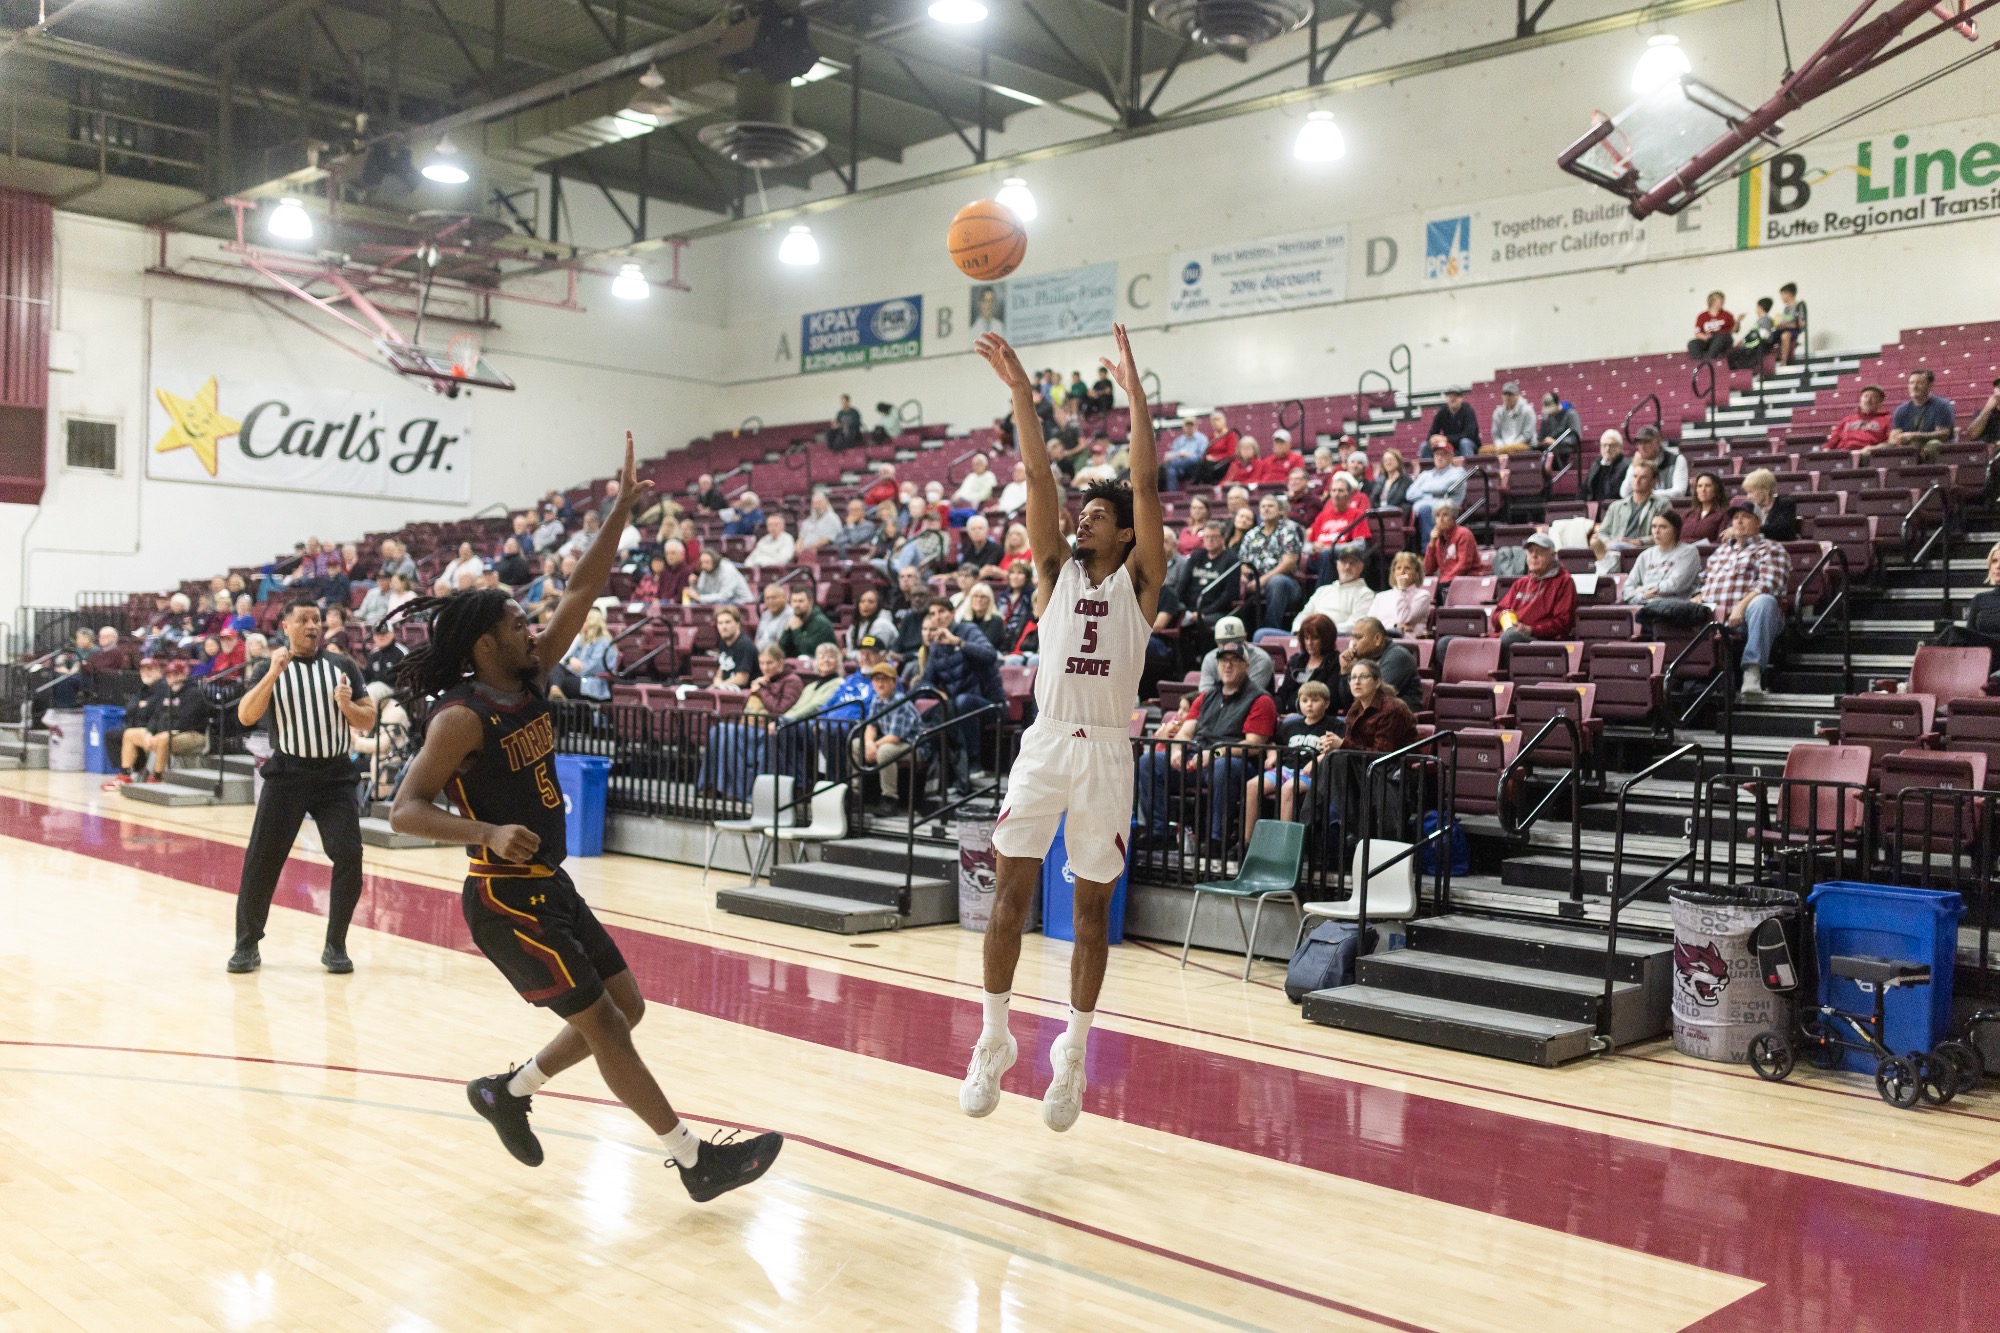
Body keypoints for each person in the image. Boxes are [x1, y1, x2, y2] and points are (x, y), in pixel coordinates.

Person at [387, 437, 780, 1200]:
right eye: (515, 621)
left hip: (550, 883)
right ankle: (697, 1161)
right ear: (483, 642)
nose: (532, 626)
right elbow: (404, 809)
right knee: (605, 1024)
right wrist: (486, 832)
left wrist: (622, 508)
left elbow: (582, 589)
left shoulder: (528, 675)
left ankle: (511, 1090)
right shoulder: (461, 719)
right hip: (502, 896)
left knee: (628, 1007)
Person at [963, 322, 1164, 1134]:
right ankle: (993, 1039)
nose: (1080, 522)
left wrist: (1137, 397)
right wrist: (1019, 390)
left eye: (1095, 516)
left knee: (1088, 915)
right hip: (1047, 742)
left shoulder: (1142, 582)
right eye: (1077, 515)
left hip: (1107, 752)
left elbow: (1146, 485)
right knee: (1008, 894)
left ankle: (1073, 1054)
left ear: (1121, 531)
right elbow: (1037, 471)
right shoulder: (1052, 571)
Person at [227, 598, 377, 975]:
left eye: (317, 620)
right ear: (286, 626)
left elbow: (369, 718)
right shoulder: (271, 666)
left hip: (336, 777)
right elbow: (246, 715)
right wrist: (272, 673)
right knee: (262, 860)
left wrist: (347, 707)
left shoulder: (343, 666)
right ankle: (246, 945)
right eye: (304, 620)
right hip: (289, 775)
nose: (313, 626)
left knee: (349, 855)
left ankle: (335, 944)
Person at [1136, 641, 1275, 853]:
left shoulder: (1261, 699)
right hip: (1198, 760)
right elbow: (1185, 732)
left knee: (1223, 767)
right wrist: (1176, 751)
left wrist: (1215, 753)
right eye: (1223, 661)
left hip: (1238, 765)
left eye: (1234, 661)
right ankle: (1160, 833)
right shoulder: (1205, 697)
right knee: (1149, 761)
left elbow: (1255, 744)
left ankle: (1216, 840)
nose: (1228, 666)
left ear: (1246, 666)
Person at [1690, 502, 1791, 696]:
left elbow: (1768, 584)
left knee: (1764, 601)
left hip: (1748, 618)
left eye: (1745, 517)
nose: (1739, 521)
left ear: (1759, 522)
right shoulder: (1721, 551)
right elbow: (1704, 582)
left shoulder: (1771, 548)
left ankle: (1752, 673)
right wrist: (1697, 598)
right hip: (1715, 616)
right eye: (1735, 518)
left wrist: (1741, 607)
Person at [1243, 680, 1340, 842]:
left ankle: (1283, 844)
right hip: (1285, 769)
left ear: (1326, 703)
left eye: (1315, 700)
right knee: (1252, 785)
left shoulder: (1333, 725)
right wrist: (1272, 755)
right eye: (1305, 700)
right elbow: (1273, 742)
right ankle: (1247, 842)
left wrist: (1318, 760)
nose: (1309, 705)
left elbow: (1338, 748)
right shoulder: (1291, 724)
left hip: (1310, 773)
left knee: (1288, 789)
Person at [104, 657, 213, 786]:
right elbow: (156, 716)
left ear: (184, 675)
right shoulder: (168, 693)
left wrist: (161, 734)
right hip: (167, 733)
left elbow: (186, 720)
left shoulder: (193, 693)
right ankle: (125, 775)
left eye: (176, 675)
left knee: (163, 739)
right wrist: (150, 732)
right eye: (170, 675)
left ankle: (157, 777)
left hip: (193, 734)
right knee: (130, 734)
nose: (173, 678)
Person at [1490, 533, 1575, 659]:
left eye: (1539, 552)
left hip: (1539, 641)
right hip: (1507, 635)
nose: (1533, 556)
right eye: (1530, 552)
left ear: (1552, 556)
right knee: (1451, 641)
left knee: (1509, 638)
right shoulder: (1521, 583)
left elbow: (1563, 622)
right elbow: (1497, 614)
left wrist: (1531, 630)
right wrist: (1504, 618)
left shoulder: (1564, 582)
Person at [1237, 493, 1307, 631]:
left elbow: (1289, 563)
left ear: (1279, 510)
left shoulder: (1288, 532)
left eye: (1270, 506)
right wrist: (1244, 575)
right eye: (1263, 506)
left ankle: (1269, 631)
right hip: (1254, 582)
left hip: (1287, 583)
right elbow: (1242, 562)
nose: (1266, 509)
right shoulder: (1252, 534)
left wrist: (1263, 580)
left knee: (1277, 582)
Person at [1332, 658, 1419, 754]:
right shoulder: (1355, 709)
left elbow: (1382, 754)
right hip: (1364, 763)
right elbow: (1351, 745)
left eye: (1363, 677)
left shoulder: (1391, 709)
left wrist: (1343, 744)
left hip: (1395, 765)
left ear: (1377, 683)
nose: (1356, 682)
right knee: (1329, 758)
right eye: (1353, 677)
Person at [1333, 617, 1420, 712]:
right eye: (1353, 637)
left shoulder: (1397, 657)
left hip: (1396, 720)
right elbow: (1348, 705)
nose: (1353, 643)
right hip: (1372, 717)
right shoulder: (1364, 658)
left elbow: (1376, 696)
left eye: (1358, 637)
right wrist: (1345, 671)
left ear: (1377, 639)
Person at [1933, 542, 2000, 650]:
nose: (1998, 566)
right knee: (1953, 635)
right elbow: (1969, 634)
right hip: (1982, 654)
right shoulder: (1980, 599)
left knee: (1953, 632)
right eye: (1994, 561)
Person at [1293, 544, 1374, 634]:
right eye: (1344, 562)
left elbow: (1356, 624)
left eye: (1352, 563)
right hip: (1310, 635)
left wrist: (1322, 632)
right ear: (1337, 565)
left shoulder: (1365, 594)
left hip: (1336, 638)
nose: (1347, 567)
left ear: (1361, 566)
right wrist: (1298, 629)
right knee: (1274, 636)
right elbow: (1304, 614)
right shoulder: (1323, 590)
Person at [1275, 613, 1341, 715]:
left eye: (1315, 638)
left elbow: (1331, 699)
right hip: (1289, 716)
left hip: (1319, 719)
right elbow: (1283, 693)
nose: (1309, 643)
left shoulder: (1335, 662)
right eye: (1306, 638)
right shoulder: (1296, 661)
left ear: (1326, 639)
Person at [1408, 442, 1468, 551]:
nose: (1439, 457)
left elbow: (1442, 488)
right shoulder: (1426, 474)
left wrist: (1424, 491)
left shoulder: (1458, 472)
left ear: (1450, 457)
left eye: (1443, 454)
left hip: (1448, 508)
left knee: (1426, 509)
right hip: (1422, 510)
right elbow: (1410, 494)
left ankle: (1429, 549)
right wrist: (1430, 493)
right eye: (1437, 454)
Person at [1598, 461, 1674, 547]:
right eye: (1635, 476)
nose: (1637, 481)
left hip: (1644, 551)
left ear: (1653, 481)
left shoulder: (1662, 505)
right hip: (1614, 550)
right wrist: (1610, 542)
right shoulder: (1615, 506)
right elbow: (1602, 532)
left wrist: (1640, 542)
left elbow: (1666, 534)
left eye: (1643, 477)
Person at [1197, 615, 1276, 695]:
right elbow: (1205, 696)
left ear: (1245, 638)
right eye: (1224, 643)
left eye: (1235, 642)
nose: (1229, 647)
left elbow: (1250, 696)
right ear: (1216, 642)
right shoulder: (1210, 659)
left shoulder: (1260, 659)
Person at [557, 607, 619, 701]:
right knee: (555, 667)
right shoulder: (583, 641)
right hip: (578, 677)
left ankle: (555, 691)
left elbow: (592, 668)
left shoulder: (603, 643)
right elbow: (567, 660)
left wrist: (573, 667)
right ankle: (555, 691)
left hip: (594, 683)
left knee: (559, 682)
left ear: (592, 623)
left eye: (583, 621)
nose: (579, 624)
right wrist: (571, 661)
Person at [1890, 368, 1956, 452]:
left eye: (1920, 383)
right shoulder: (1901, 409)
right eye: (1911, 383)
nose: (1914, 387)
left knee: (1934, 444)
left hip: (1938, 451)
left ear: (1930, 385)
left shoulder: (1942, 405)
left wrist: (1915, 436)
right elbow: (1894, 437)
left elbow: (1943, 434)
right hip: (1910, 450)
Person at [1370, 551, 1434, 638]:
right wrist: (1394, 626)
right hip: (1381, 639)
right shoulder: (1381, 596)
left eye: (1407, 568)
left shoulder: (1422, 596)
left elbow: (1403, 618)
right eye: (1398, 568)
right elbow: (1370, 623)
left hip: (1408, 641)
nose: (1402, 572)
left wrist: (1402, 590)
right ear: (1393, 573)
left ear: (1416, 574)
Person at [1619, 426, 1687, 501]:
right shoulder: (1637, 462)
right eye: (1640, 443)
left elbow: (1679, 492)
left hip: (1672, 508)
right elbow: (1624, 493)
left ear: (1658, 442)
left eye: (1647, 442)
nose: (1642, 447)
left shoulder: (1676, 460)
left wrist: (1647, 494)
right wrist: (1633, 466)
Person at [1826, 384, 1893, 458]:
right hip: (1843, 456)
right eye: (1865, 396)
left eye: (1874, 397)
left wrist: (1877, 448)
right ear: (1860, 400)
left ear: (1880, 402)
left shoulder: (1887, 420)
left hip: (1870, 456)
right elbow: (1832, 441)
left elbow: (1891, 442)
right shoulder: (1846, 420)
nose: (1868, 400)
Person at [1422, 502, 1481, 582]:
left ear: (1453, 517)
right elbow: (1428, 570)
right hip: (1446, 581)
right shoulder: (1437, 539)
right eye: (1437, 516)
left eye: (1445, 515)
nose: (1441, 519)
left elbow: (1463, 565)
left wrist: (1445, 580)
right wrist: (1431, 544)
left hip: (1467, 580)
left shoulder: (1463, 534)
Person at [1740, 468, 1799, 543]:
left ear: (1765, 490)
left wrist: (1752, 530)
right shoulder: (1748, 507)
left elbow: (1781, 529)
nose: (1748, 497)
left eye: (1751, 492)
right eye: (1747, 493)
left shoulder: (1785, 504)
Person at [779, 584, 838, 658]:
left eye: (801, 601)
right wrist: (787, 631)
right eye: (794, 601)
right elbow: (781, 651)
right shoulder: (794, 620)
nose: (796, 605)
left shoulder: (821, 623)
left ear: (810, 602)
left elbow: (808, 651)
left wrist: (796, 630)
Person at [711, 606, 757, 690]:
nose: (723, 627)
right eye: (720, 623)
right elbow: (722, 666)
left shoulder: (744, 644)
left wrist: (719, 686)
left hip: (743, 692)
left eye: (727, 622)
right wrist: (717, 679)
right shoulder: (723, 642)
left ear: (738, 623)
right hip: (726, 687)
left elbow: (742, 679)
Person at [1427, 387, 1480, 458]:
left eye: (1456, 396)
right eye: (1450, 396)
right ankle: (1429, 468)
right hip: (1448, 446)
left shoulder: (1468, 411)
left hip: (1470, 445)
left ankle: (1468, 467)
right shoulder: (1441, 412)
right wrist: (1433, 439)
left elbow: (1469, 434)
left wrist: (1446, 439)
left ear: (1461, 399)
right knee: (1425, 446)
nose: (1453, 399)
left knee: (1464, 442)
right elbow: (1432, 433)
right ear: (1446, 399)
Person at [1162, 415, 1210, 491]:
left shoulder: (1202, 439)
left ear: (1196, 426)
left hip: (1195, 466)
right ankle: (1173, 496)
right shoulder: (1179, 440)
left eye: (1191, 425)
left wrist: (1187, 455)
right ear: (1183, 427)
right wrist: (1179, 454)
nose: (1189, 428)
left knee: (1173, 464)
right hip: (1180, 466)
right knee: (1171, 470)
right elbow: (1173, 454)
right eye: (1187, 425)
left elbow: (1202, 456)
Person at [1682, 472, 1731, 544]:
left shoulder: (1724, 514)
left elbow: (1721, 541)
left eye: (1708, 486)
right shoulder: (1688, 514)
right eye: (1699, 486)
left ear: (1716, 490)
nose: (1703, 489)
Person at [1583, 430, 1629, 504]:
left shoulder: (1626, 466)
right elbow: (1586, 489)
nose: (1607, 449)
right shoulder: (1596, 465)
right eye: (1604, 445)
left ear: (1620, 447)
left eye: (1611, 445)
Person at [1488, 381, 1535, 453]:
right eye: (1505, 394)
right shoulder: (1498, 412)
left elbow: (1527, 435)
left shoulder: (1528, 410)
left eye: (1510, 395)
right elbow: (1496, 434)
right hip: (1503, 447)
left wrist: (1511, 447)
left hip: (1524, 446)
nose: (1507, 397)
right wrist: (1500, 445)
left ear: (1517, 396)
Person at [1688, 291, 1735, 362]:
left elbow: (1733, 330)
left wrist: (1738, 322)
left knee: (1720, 337)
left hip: (1723, 339)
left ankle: (1708, 361)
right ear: (1713, 302)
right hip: (1709, 339)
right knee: (1692, 343)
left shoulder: (1727, 315)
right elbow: (1697, 333)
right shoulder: (1702, 316)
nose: (1723, 303)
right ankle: (1697, 363)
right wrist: (1705, 337)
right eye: (1721, 301)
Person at [1537, 390, 1584, 462]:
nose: (1550, 413)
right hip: (1549, 450)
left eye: (1551, 410)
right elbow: (1542, 436)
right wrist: (1541, 442)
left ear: (1557, 404)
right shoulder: (1547, 416)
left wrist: (1556, 442)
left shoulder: (1571, 414)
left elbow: (1576, 437)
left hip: (1564, 451)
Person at [364, 621, 408, 687]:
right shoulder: (373, 654)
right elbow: (367, 676)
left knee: (375, 687)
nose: (380, 637)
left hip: (395, 693)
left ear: (391, 634)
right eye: (377, 634)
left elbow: (407, 680)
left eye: (383, 633)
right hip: (375, 691)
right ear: (373, 637)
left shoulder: (401, 652)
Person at [753, 582, 792, 655]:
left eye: (774, 598)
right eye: (767, 598)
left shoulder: (789, 614)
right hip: (760, 656)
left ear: (784, 597)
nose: (771, 601)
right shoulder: (766, 614)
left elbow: (780, 643)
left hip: (774, 656)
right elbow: (757, 640)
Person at [1773, 282, 1807, 364]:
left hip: (1793, 330)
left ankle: (1783, 362)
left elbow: (1801, 324)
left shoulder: (1799, 306)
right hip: (1784, 329)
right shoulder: (1786, 308)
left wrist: (1785, 325)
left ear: (1789, 294)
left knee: (1785, 335)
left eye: (1782, 295)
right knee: (1768, 337)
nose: (1781, 298)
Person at [1966, 376, 2000, 447]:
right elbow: (1972, 435)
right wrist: (1987, 409)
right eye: (1998, 387)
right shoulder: (1982, 411)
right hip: (1987, 453)